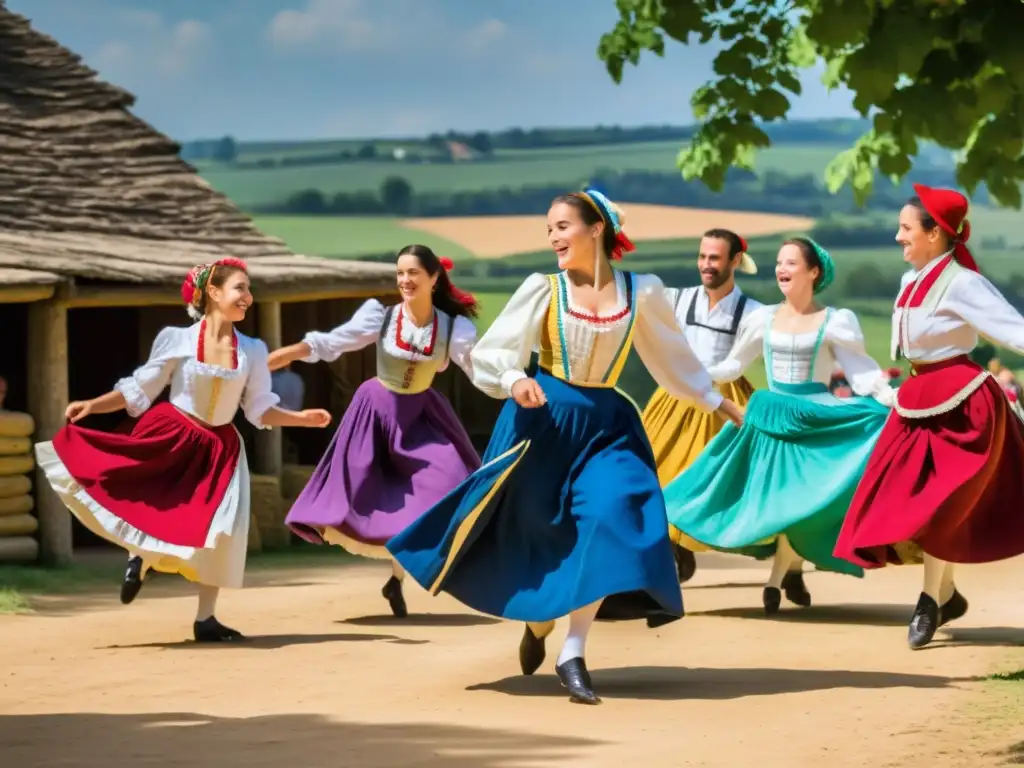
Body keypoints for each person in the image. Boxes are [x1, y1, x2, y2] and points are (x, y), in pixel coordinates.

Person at [386, 189, 744, 704]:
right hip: (543, 421)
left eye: (562, 226)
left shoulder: (640, 291)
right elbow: (493, 353)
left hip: (608, 425)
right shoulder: (542, 289)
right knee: (544, 534)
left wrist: (718, 403)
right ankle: (540, 623)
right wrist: (514, 379)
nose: (553, 237)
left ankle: (572, 651)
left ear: (596, 229)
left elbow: (672, 358)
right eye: (549, 229)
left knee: (611, 514)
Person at [34, 258, 331, 641]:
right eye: (240, 288)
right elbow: (140, 388)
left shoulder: (254, 350)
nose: (248, 297)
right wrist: (93, 404)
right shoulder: (179, 338)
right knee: (152, 500)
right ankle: (137, 558)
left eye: (248, 289)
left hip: (220, 448)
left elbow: (258, 407)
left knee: (221, 530)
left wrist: (302, 418)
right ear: (213, 292)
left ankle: (205, 618)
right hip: (173, 432)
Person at [834, 184, 1024, 649]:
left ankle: (929, 600)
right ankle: (947, 593)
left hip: (962, 404)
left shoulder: (963, 283)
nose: (898, 236)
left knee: (940, 501)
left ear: (935, 234)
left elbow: (1015, 331)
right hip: (918, 397)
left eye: (906, 228)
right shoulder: (910, 281)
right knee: (906, 499)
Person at [661, 238, 895, 614]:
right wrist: (694, 375)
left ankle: (783, 574)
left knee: (801, 500)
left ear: (814, 272)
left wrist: (889, 400)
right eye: (778, 263)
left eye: (791, 263)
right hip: (770, 415)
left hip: (814, 418)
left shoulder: (836, 321)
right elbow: (734, 365)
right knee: (747, 493)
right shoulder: (763, 318)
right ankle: (785, 572)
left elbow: (862, 374)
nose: (781, 269)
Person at [270, 245, 481, 618]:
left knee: (449, 480)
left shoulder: (454, 329)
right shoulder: (380, 318)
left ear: (434, 278)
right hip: (376, 410)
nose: (404, 280)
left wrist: (518, 384)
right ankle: (396, 576)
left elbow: (482, 369)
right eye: (399, 273)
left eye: (413, 273)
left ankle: (398, 577)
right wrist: (287, 354)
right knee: (378, 496)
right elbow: (334, 341)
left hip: (421, 414)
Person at [639, 229, 761, 584]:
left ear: (735, 261)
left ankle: (787, 563)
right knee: (656, 469)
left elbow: (738, 363)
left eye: (715, 258)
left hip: (726, 401)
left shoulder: (752, 312)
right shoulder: (676, 299)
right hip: (675, 397)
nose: (706, 265)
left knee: (727, 479)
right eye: (702, 257)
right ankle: (673, 546)